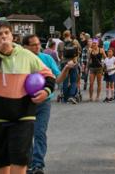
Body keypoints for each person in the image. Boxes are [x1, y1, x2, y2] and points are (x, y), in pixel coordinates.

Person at [0, 21, 55, 174]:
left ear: (12, 36)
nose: (4, 37)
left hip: (23, 115)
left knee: (20, 160)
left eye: (6, 33)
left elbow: (49, 75)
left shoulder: (26, 55)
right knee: (1, 163)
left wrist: (46, 91)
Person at [23, 34, 71, 174]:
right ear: (25, 47)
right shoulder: (20, 59)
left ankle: (38, 165)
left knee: (40, 132)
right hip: (25, 102)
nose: (37, 46)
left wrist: (66, 68)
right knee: (26, 134)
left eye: (38, 44)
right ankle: (28, 164)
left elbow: (57, 79)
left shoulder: (47, 58)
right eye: (33, 44)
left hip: (44, 102)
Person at [59, 31, 81, 103]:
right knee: (73, 80)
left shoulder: (61, 44)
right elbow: (78, 52)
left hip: (64, 63)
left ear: (63, 36)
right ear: (70, 35)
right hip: (73, 63)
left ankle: (65, 97)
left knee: (65, 80)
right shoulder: (75, 43)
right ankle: (71, 96)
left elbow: (60, 55)